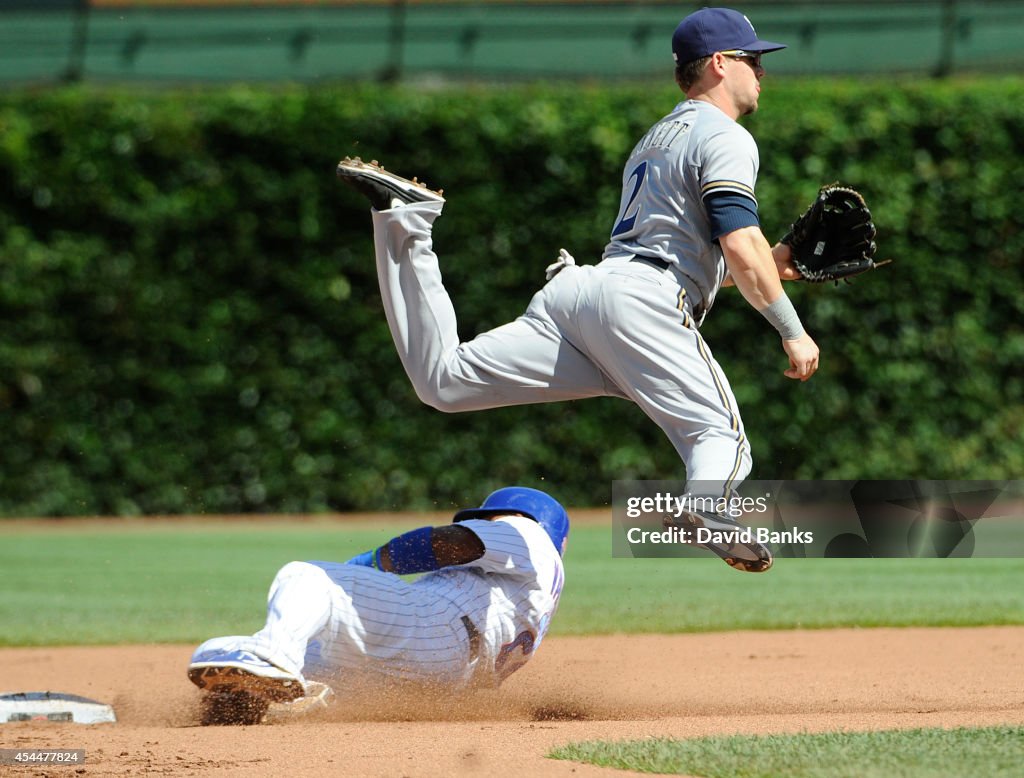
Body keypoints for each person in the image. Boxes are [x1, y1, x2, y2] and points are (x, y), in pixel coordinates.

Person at [335, 7, 817, 574]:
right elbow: (736, 244)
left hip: (585, 294)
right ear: (719, 63)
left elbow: (703, 251)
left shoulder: (658, 135)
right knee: (718, 437)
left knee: (444, 380)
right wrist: (793, 330)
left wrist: (773, 262)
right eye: (753, 59)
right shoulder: (728, 136)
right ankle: (705, 510)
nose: (762, 72)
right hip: (641, 301)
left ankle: (405, 224)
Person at [187, 486, 568, 724]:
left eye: (489, 517)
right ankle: (270, 695)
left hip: (435, 629)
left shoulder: (528, 534)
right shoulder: (531, 596)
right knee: (241, 655)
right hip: (435, 679)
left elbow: (453, 542)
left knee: (307, 575)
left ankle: (273, 658)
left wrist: (379, 560)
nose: (488, 522)